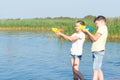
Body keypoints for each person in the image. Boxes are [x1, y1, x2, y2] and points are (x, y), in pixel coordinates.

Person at [82, 16, 108, 80]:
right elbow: (93, 40)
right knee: (98, 69)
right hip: (97, 50)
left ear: (102, 22)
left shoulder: (102, 28)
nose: (96, 25)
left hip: (98, 51)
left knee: (95, 70)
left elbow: (95, 38)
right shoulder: (101, 28)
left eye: (97, 23)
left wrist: (88, 32)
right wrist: (87, 33)